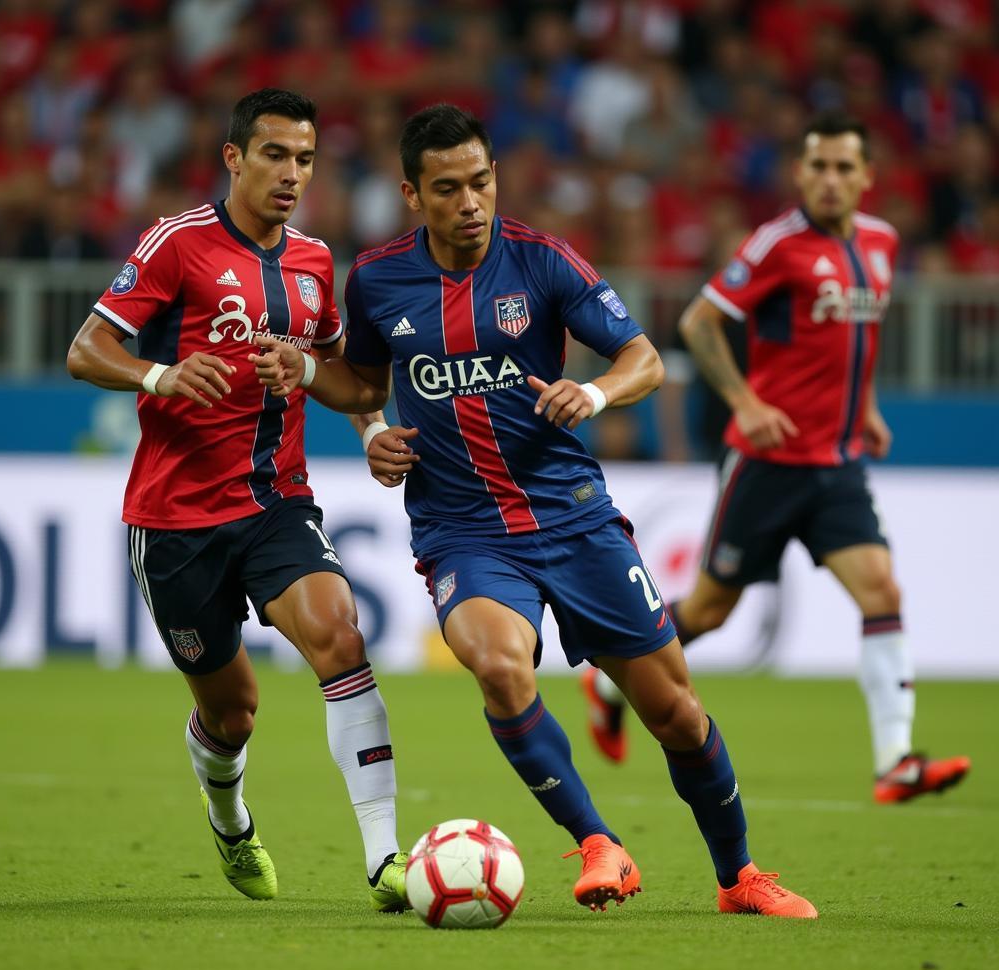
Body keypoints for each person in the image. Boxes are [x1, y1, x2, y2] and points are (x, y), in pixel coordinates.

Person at [253, 103, 817, 918]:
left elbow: (645, 358)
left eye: (480, 181)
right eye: (447, 189)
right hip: (464, 531)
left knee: (677, 714)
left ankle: (739, 879)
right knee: (498, 665)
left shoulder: (542, 262)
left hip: (574, 517)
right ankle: (597, 843)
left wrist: (591, 390)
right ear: (413, 195)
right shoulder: (378, 279)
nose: (470, 202)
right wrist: (347, 408)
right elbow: (366, 385)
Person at [66, 88, 408, 911]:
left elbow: (345, 379)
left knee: (339, 637)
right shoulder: (177, 244)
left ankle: (386, 860)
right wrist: (162, 373)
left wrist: (368, 433)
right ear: (235, 158)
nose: (293, 174)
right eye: (276, 155)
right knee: (235, 714)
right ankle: (229, 819)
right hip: (176, 519)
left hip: (276, 503)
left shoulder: (317, 264)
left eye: (306, 159)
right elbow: (88, 347)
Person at [581, 110, 971, 804]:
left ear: (867, 177)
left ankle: (896, 760)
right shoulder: (776, 245)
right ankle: (608, 678)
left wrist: (868, 406)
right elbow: (700, 322)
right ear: (799, 173)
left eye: (844, 168)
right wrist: (746, 403)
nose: (830, 180)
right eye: (817, 166)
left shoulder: (881, 245)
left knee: (882, 591)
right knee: (707, 611)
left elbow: (856, 341)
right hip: (765, 464)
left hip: (837, 465)